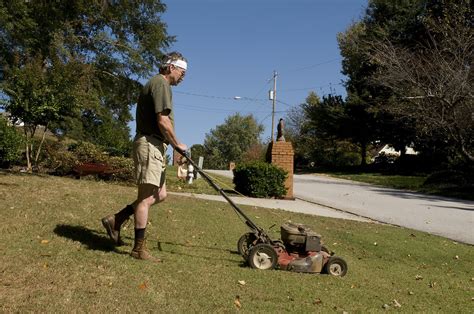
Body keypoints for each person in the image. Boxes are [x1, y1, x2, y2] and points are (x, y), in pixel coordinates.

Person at [101, 52, 188, 262]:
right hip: (150, 144)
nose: (184, 76)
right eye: (182, 71)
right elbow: (163, 120)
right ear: (170, 67)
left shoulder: (159, 84)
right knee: (144, 199)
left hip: (155, 145)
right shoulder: (161, 84)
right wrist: (178, 144)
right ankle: (138, 249)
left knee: (161, 194)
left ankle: (117, 219)